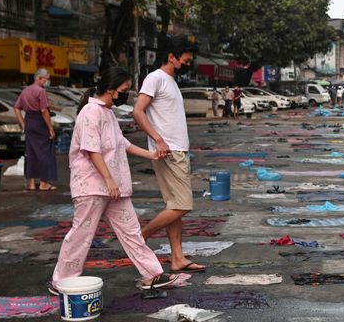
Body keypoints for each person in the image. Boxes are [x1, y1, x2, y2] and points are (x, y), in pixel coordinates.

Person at [51, 67, 178, 294]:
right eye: (124, 90)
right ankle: (61, 281)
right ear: (111, 90)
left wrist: (151, 155)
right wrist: (108, 180)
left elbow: (122, 144)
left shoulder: (107, 113)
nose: (126, 94)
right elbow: (92, 150)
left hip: (114, 188)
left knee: (132, 232)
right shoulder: (90, 113)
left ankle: (153, 274)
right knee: (81, 235)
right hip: (92, 186)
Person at [133, 35, 206, 274]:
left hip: (176, 150)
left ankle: (177, 258)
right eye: (185, 60)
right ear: (171, 57)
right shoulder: (155, 78)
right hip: (169, 151)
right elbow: (138, 112)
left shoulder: (170, 81)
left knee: (175, 206)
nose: (188, 64)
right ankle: (137, 238)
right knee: (183, 205)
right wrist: (158, 139)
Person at [14, 69, 58, 191]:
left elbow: (16, 108)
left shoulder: (25, 91)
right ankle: (44, 183)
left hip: (29, 122)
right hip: (40, 123)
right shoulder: (41, 91)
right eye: (46, 79)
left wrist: (23, 124)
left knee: (31, 152)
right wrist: (50, 128)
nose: (47, 81)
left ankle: (32, 183)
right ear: (39, 78)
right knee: (44, 153)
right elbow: (44, 110)